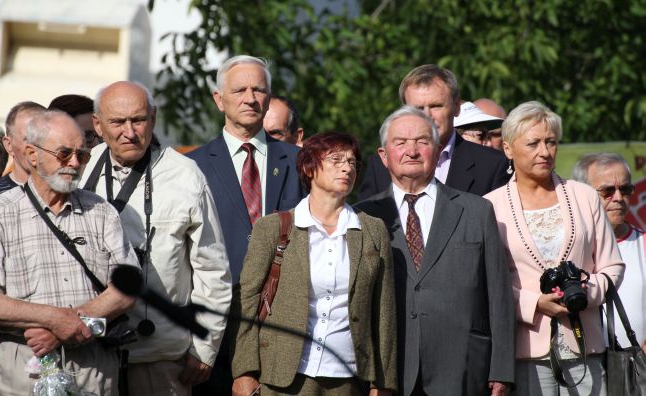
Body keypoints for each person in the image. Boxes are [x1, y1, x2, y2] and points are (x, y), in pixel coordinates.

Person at [81, 81, 232, 395]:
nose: (129, 132)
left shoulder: (186, 174)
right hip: (88, 350)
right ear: (97, 124)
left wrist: (205, 347)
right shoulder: (79, 167)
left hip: (161, 355)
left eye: (138, 120)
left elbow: (213, 269)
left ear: (153, 118)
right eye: (117, 122)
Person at [357, 106, 514, 396]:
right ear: (383, 156)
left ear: (438, 149)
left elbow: (499, 295)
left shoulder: (476, 210)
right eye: (400, 143)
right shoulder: (363, 217)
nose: (411, 151)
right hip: (389, 372)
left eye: (422, 142)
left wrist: (502, 369)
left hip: (463, 368)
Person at [230, 132, 396, 395]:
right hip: (283, 376)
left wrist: (383, 384)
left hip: (349, 376)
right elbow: (247, 302)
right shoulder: (274, 227)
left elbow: (383, 312)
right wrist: (244, 371)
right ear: (309, 167)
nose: (346, 167)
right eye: (336, 159)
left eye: (353, 162)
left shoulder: (372, 230)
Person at [484, 102, 624, 395]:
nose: (544, 152)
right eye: (533, 143)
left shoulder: (584, 196)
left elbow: (613, 266)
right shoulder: (490, 206)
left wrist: (586, 294)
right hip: (525, 350)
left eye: (550, 142)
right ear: (508, 149)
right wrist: (534, 303)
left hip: (587, 346)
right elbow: (485, 283)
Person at [0, 110, 139, 394]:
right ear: (32, 154)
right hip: (25, 373)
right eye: (64, 153)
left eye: (82, 155)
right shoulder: (1, 213)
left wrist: (69, 324)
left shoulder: (100, 212)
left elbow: (129, 287)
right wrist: (54, 319)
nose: (74, 163)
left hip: (93, 372)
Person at [188, 55, 305, 395]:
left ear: (269, 98)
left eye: (259, 90)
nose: (250, 98)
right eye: (239, 89)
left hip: (285, 327)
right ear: (218, 99)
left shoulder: (300, 162)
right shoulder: (190, 166)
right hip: (215, 331)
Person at [357, 65, 510, 201]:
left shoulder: (492, 165)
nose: (426, 116)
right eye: (418, 109)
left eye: (436, 106)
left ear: (456, 107)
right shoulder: (380, 165)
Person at [572, 153, 645, 350]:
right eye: (608, 191)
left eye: (625, 189)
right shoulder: (568, 246)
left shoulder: (643, 243)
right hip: (582, 366)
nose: (619, 198)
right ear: (582, 194)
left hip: (636, 370)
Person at [0, 101, 46, 196]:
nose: (39, 147)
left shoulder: (73, 197)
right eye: (29, 139)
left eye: (46, 138)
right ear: (9, 145)